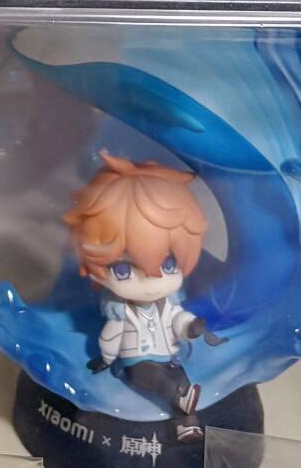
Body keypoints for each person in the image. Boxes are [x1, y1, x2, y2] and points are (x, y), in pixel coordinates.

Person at [66, 153, 222, 438]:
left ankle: (186, 423)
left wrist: (191, 328)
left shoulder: (168, 303)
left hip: (168, 357)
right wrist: (106, 359)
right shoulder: (120, 310)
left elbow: (177, 320)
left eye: (168, 265)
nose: (151, 281)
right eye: (123, 269)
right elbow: (112, 336)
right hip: (137, 363)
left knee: (180, 378)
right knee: (160, 380)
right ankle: (181, 400)